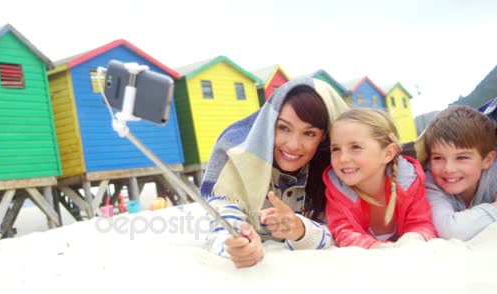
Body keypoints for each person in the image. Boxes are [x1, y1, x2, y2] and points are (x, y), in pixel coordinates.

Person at [201, 77, 350, 268]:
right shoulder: (239, 162)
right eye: (283, 128)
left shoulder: (332, 172)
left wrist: (300, 229)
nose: (293, 145)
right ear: (268, 125)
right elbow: (222, 222)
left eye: (310, 133)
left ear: (324, 137)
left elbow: (339, 231)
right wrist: (238, 246)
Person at [323, 108, 436, 248]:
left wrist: (413, 240)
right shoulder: (337, 190)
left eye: (356, 147)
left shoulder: (409, 182)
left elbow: (422, 224)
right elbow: (342, 232)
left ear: (388, 153)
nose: (343, 158)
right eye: (336, 149)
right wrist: (375, 247)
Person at [423, 105, 497, 241]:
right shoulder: (431, 182)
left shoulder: (494, 175)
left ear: (487, 160)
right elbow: (450, 231)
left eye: (462, 157)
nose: (448, 169)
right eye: (438, 158)